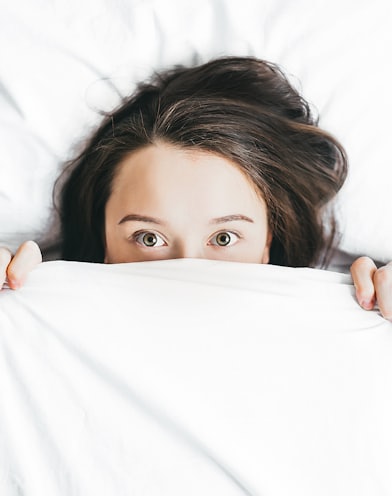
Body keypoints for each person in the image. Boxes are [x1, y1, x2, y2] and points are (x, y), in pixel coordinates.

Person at [0, 56, 391, 319]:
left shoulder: (341, 317)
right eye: (148, 238)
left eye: (223, 237)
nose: (187, 272)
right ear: (102, 239)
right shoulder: (46, 318)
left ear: (269, 239)